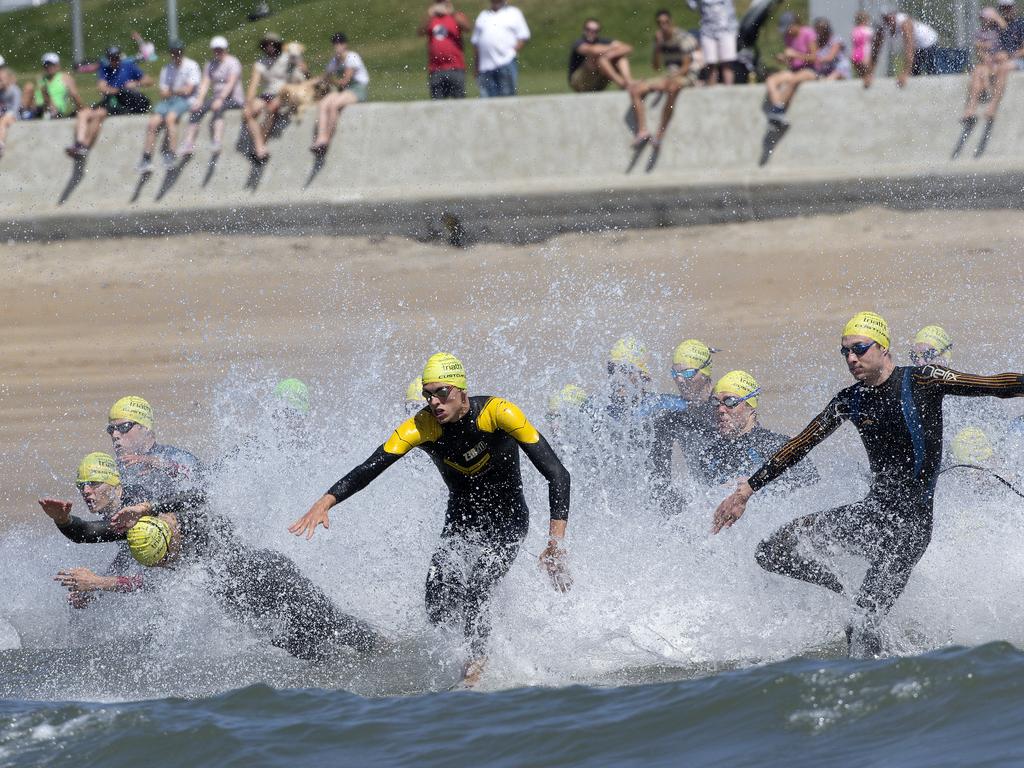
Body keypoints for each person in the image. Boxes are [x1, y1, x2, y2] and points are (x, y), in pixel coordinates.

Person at [712, 311, 1024, 657]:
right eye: (845, 351)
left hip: (910, 527)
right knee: (773, 551)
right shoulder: (850, 400)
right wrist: (746, 491)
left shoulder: (924, 380)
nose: (851, 358)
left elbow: (995, 386)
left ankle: (882, 688)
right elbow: (800, 445)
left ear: (884, 347)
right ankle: (847, 592)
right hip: (871, 516)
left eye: (859, 348)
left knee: (862, 622)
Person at [288, 352, 571, 687]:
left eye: (442, 393)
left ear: (462, 389)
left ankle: (477, 665)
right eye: (428, 395)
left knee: (480, 585)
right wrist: (327, 500)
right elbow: (371, 466)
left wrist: (555, 544)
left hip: (507, 518)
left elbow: (557, 474)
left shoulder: (499, 413)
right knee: (436, 597)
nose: (434, 402)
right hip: (462, 520)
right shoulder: (423, 427)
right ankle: (460, 651)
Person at [44, 477, 386, 659]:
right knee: (311, 655)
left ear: (167, 544)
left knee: (341, 630)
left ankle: (386, 649)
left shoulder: (196, 526)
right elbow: (85, 533)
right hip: (242, 603)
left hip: (273, 579)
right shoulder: (143, 529)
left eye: (164, 561)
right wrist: (63, 520)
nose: (164, 568)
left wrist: (147, 506)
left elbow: (197, 496)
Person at [40, 452, 148, 608]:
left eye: (94, 483)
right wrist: (95, 592)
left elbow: (155, 582)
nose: (86, 491)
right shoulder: (116, 507)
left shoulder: (136, 512)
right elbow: (126, 556)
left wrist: (98, 583)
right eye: (81, 485)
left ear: (116, 487)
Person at [695, 370, 819, 489]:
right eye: (715, 402)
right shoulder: (709, 456)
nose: (720, 410)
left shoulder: (776, 445)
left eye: (730, 402)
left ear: (751, 406)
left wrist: (756, 485)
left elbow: (812, 484)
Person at [647, 339, 717, 513]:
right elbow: (659, 471)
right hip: (704, 498)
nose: (679, 380)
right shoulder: (673, 416)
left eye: (687, 373)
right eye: (675, 373)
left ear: (705, 373)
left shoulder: (724, 408)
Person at [106, 395, 202, 502]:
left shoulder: (172, 455)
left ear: (145, 427)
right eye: (111, 429)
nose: (115, 434)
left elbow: (202, 481)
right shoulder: (115, 469)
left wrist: (157, 463)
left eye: (123, 427)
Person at [66, 45, 153, 160]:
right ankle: (79, 143)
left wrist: (136, 83)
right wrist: (118, 90)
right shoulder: (105, 68)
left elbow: (149, 81)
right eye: (111, 58)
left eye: (116, 58)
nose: (114, 60)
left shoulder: (129, 66)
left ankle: (85, 146)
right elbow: (101, 87)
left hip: (123, 104)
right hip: (111, 101)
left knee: (99, 113)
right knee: (83, 113)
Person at [628, 9, 698, 149]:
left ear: (671, 22)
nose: (663, 26)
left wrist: (669, 79)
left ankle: (660, 134)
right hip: (669, 76)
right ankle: (643, 131)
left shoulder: (682, 38)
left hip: (686, 76)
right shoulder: (660, 39)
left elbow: (686, 67)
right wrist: (658, 47)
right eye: (660, 23)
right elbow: (655, 66)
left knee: (672, 88)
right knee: (635, 89)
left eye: (666, 22)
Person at [137, 40, 201, 172]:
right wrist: (176, 91)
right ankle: (146, 158)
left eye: (178, 52)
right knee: (153, 123)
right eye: (174, 53)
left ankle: (171, 153)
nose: (176, 55)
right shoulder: (167, 69)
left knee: (170, 118)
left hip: (186, 100)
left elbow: (188, 91)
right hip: (170, 100)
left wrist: (172, 91)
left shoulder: (191, 66)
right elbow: (162, 93)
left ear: (182, 52)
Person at [243, 32, 306, 163]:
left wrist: (301, 66)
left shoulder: (288, 57)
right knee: (248, 112)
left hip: (285, 92)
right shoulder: (260, 63)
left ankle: (259, 148)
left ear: (278, 45)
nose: (270, 47)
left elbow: (302, 72)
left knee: (272, 108)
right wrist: (249, 102)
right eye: (267, 44)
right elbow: (253, 86)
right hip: (267, 93)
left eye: (272, 44)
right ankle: (260, 147)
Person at [180, 36, 244, 157]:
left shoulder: (233, 63)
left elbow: (231, 83)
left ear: (226, 49)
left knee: (217, 108)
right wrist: (199, 99)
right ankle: (188, 142)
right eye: (215, 50)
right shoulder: (210, 64)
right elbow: (205, 83)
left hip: (234, 98)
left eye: (220, 49)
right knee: (196, 109)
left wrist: (221, 99)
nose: (218, 52)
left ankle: (217, 141)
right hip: (217, 97)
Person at [310, 33, 369, 157]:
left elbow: (345, 81)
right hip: (344, 90)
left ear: (345, 45)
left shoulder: (352, 57)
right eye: (335, 44)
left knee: (334, 105)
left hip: (357, 89)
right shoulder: (335, 60)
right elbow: (325, 76)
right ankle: (320, 138)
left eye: (340, 43)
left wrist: (329, 81)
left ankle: (325, 140)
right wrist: (312, 81)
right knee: (323, 103)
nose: (337, 46)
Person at [762, 13, 817, 126]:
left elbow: (814, 58)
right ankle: (778, 111)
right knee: (771, 80)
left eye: (788, 29)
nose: (787, 32)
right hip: (795, 70)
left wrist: (796, 55)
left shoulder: (808, 33)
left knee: (794, 80)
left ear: (794, 25)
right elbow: (792, 61)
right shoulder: (788, 37)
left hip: (810, 70)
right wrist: (784, 59)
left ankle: (777, 110)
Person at [865, 10, 940, 89]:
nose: (888, 21)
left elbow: (909, 48)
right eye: (885, 18)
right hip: (916, 47)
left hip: (928, 42)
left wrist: (905, 73)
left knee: (931, 74)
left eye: (889, 17)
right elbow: (875, 52)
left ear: (894, 15)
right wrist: (869, 74)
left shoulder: (904, 23)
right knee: (914, 76)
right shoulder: (882, 26)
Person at [471, 0, 530, 98]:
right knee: (486, 100)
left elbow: (523, 35)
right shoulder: (483, 15)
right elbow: (476, 42)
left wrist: (511, 53)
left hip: (505, 63)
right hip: (485, 67)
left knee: (507, 99)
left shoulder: (514, 13)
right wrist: (476, 66)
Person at [420, 1, 471, 99]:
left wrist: (452, 12)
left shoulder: (455, 16)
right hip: (436, 69)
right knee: (437, 104)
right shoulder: (431, 19)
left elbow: (467, 27)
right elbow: (420, 31)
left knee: (460, 103)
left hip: (455, 67)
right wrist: (429, 15)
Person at [567, 18, 634, 92]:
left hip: (598, 83)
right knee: (599, 58)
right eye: (588, 29)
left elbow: (628, 48)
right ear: (584, 30)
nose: (591, 32)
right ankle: (622, 84)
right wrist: (613, 48)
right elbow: (593, 50)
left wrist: (613, 54)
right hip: (580, 83)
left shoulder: (602, 41)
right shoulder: (579, 42)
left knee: (620, 58)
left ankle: (628, 82)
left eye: (595, 31)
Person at [693, 0, 738, 86]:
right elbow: (693, 6)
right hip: (707, 30)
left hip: (727, 29)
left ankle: (729, 90)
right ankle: (711, 90)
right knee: (710, 63)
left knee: (727, 62)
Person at [34, 53, 82, 120]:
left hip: (57, 111)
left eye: (52, 65)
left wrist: (82, 109)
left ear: (58, 65)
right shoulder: (40, 78)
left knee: (45, 91)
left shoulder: (65, 78)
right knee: (30, 88)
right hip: (39, 109)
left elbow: (75, 96)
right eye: (46, 65)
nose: (49, 67)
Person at [0, 61, 21, 160]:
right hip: (3, 116)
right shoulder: (1, 92)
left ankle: (1, 143)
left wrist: (7, 115)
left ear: (8, 79)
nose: (0, 83)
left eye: (1, 80)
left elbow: (15, 109)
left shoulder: (14, 90)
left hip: (13, 116)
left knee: (3, 120)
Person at [851, 10, 874, 80]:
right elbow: (872, 42)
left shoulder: (854, 30)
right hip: (864, 53)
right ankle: (868, 81)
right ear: (866, 20)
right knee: (868, 71)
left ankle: (862, 80)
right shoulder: (868, 30)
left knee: (859, 72)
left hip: (855, 53)